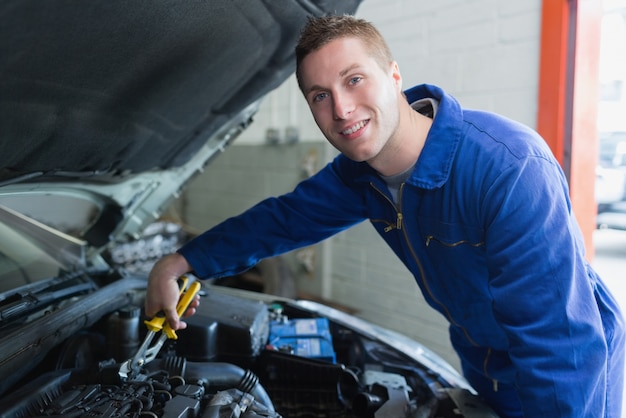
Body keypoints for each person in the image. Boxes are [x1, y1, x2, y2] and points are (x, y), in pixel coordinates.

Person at [145, 15, 625, 417]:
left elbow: (556, 344)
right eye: (319, 95)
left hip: (570, 374)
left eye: (354, 80)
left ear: (393, 75)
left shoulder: (507, 169)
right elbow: (281, 220)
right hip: (485, 361)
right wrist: (180, 263)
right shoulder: (360, 174)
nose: (342, 108)